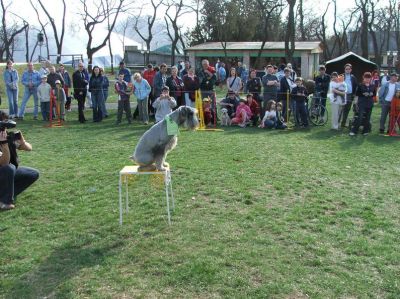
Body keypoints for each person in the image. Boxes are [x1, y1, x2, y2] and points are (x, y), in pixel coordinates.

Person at [0, 110, 39, 210]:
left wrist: (23, 142)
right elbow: (4, 163)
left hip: (6, 174)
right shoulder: (3, 139)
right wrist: (4, 144)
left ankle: (7, 194)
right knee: (9, 168)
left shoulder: (7, 136)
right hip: (4, 171)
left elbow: (29, 148)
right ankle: (5, 202)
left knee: (32, 174)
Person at [340, 63, 358, 128]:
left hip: (350, 95)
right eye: (346, 69)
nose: (347, 70)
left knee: (347, 109)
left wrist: (354, 95)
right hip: (342, 95)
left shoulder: (353, 77)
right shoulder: (341, 76)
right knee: (341, 109)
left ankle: (343, 123)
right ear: (344, 70)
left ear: (351, 70)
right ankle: (337, 123)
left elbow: (356, 86)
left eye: (349, 69)